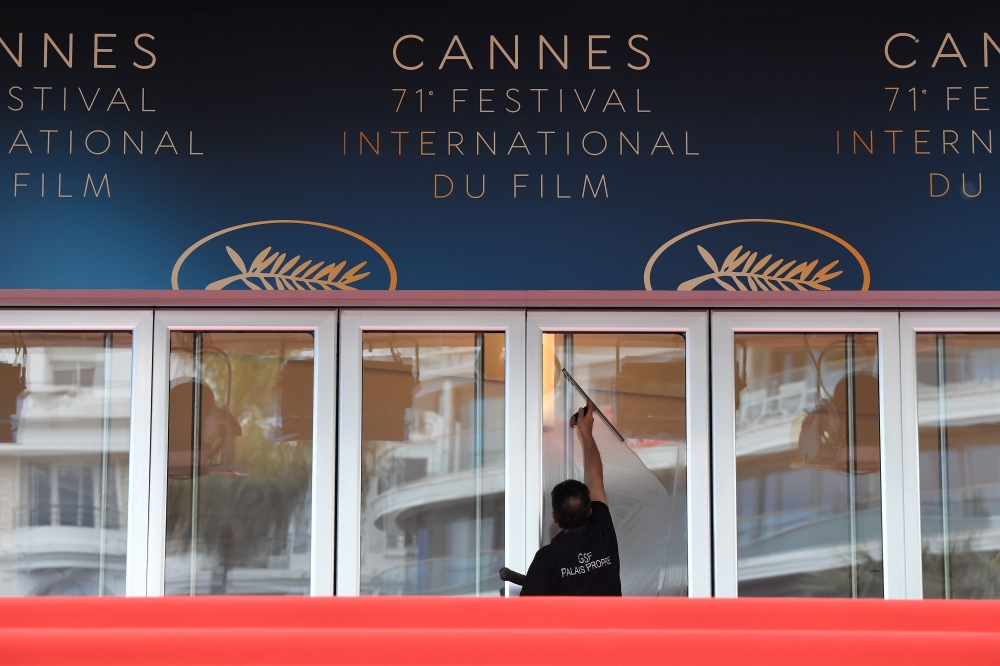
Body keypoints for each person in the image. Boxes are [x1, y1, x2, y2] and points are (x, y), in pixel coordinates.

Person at [519, 400, 622, 596]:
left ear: (554, 517)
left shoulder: (547, 559)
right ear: (590, 510)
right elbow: (595, 479)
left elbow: (528, 611)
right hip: (615, 619)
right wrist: (586, 434)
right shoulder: (602, 532)